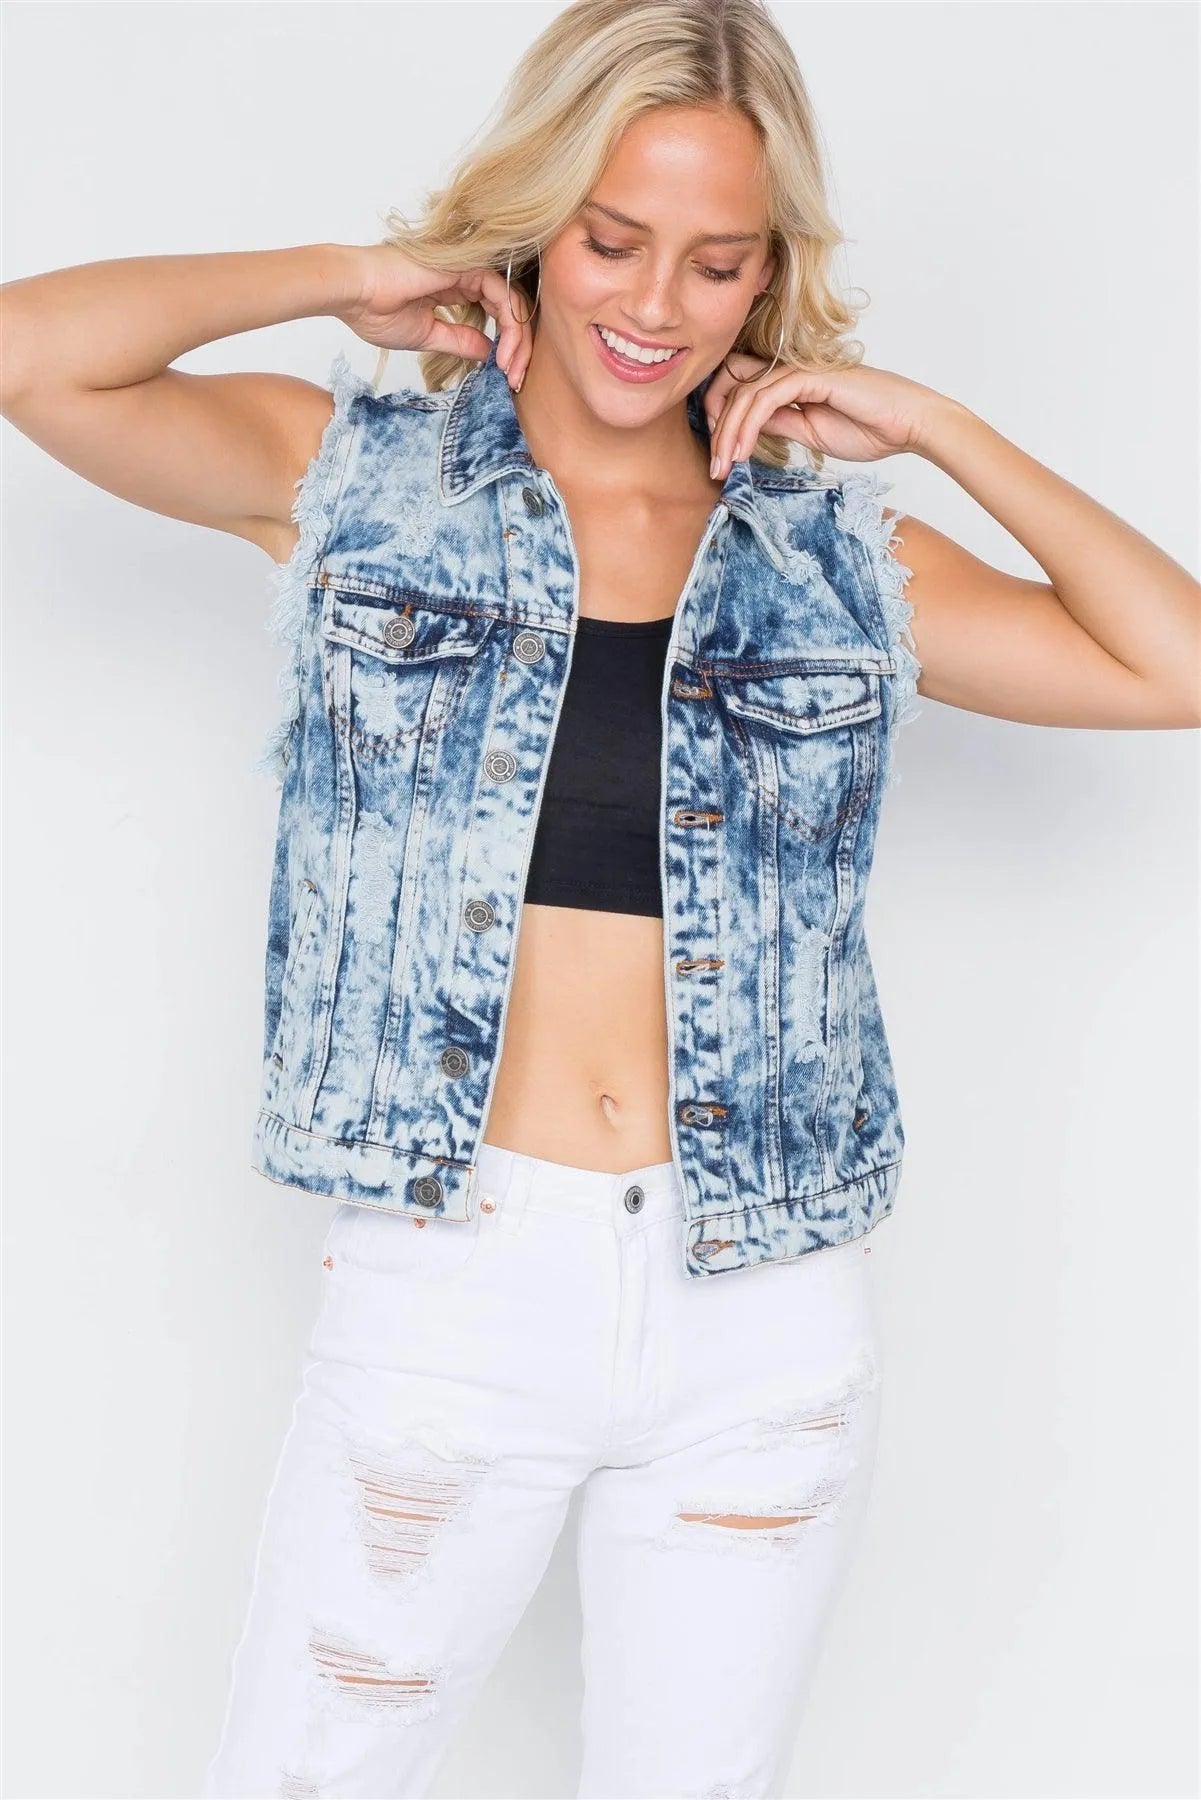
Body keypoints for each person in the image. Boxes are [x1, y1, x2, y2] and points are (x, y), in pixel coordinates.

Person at [2, 2, 1197, 1795]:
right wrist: (351, 275)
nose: (655, 305)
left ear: (767, 274)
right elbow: (29, 355)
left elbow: (1175, 665)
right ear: (536, 228)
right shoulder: (353, 480)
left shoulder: (837, 556)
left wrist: (941, 430)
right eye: (610, 240)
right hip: (453, 1282)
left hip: (764, 1301)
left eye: (715, 263)